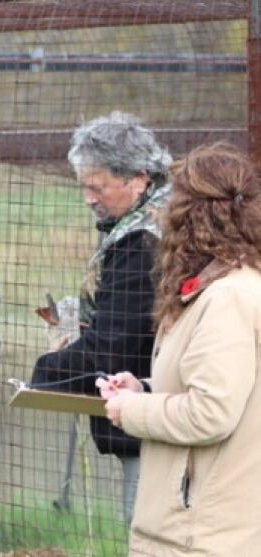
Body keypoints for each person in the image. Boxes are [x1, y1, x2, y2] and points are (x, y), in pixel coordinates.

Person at [98, 142, 261, 556]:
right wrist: (146, 389)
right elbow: (222, 385)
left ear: (190, 215)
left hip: (200, 537)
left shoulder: (228, 298)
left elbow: (212, 412)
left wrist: (131, 412)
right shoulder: (220, 288)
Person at [31, 111, 172, 523]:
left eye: (97, 187)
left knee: (147, 530)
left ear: (138, 178)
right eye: (85, 187)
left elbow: (117, 344)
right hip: (169, 398)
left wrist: (44, 375)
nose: (89, 199)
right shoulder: (164, 215)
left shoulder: (141, 241)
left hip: (157, 413)